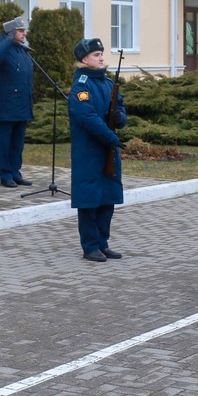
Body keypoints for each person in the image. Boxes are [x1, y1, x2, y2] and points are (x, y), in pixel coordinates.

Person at [68, 37, 127, 262]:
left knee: (107, 198)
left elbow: (119, 106)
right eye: (96, 55)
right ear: (84, 59)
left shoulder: (108, 83)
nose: (101, 58)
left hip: (108, 150)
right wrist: (111, 138)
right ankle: (90, 246)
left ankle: (103, 243)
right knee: (89, 199)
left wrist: (121, 118)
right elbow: (88, 118)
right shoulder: (81, 86)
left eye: (101, 54)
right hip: (89, 151)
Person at [0, 16, 34, 188]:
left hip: (22, 105)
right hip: (8, 107)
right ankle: (5, 174)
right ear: (11, 32)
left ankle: (16, 172)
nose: (24, 34)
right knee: (5, 143)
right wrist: (8, 40)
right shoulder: (2, 48)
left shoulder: (21, 50)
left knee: (17, 143)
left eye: (24, 31)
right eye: (21, 31)